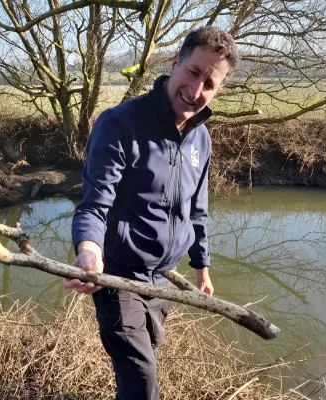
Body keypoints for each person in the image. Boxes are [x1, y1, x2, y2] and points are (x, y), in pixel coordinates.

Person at [64, 26, 239, 400]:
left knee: (142, 368)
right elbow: (95, 203)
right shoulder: (120, 124)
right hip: (118, 276)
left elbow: (198, 208)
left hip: (164, 281)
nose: (195, 92)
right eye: (193, 73)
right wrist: (89, 251)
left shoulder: (201, 138)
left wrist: (201, 267)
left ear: (218, 90)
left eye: (209, 84)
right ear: (175, 62)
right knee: (142, 383)